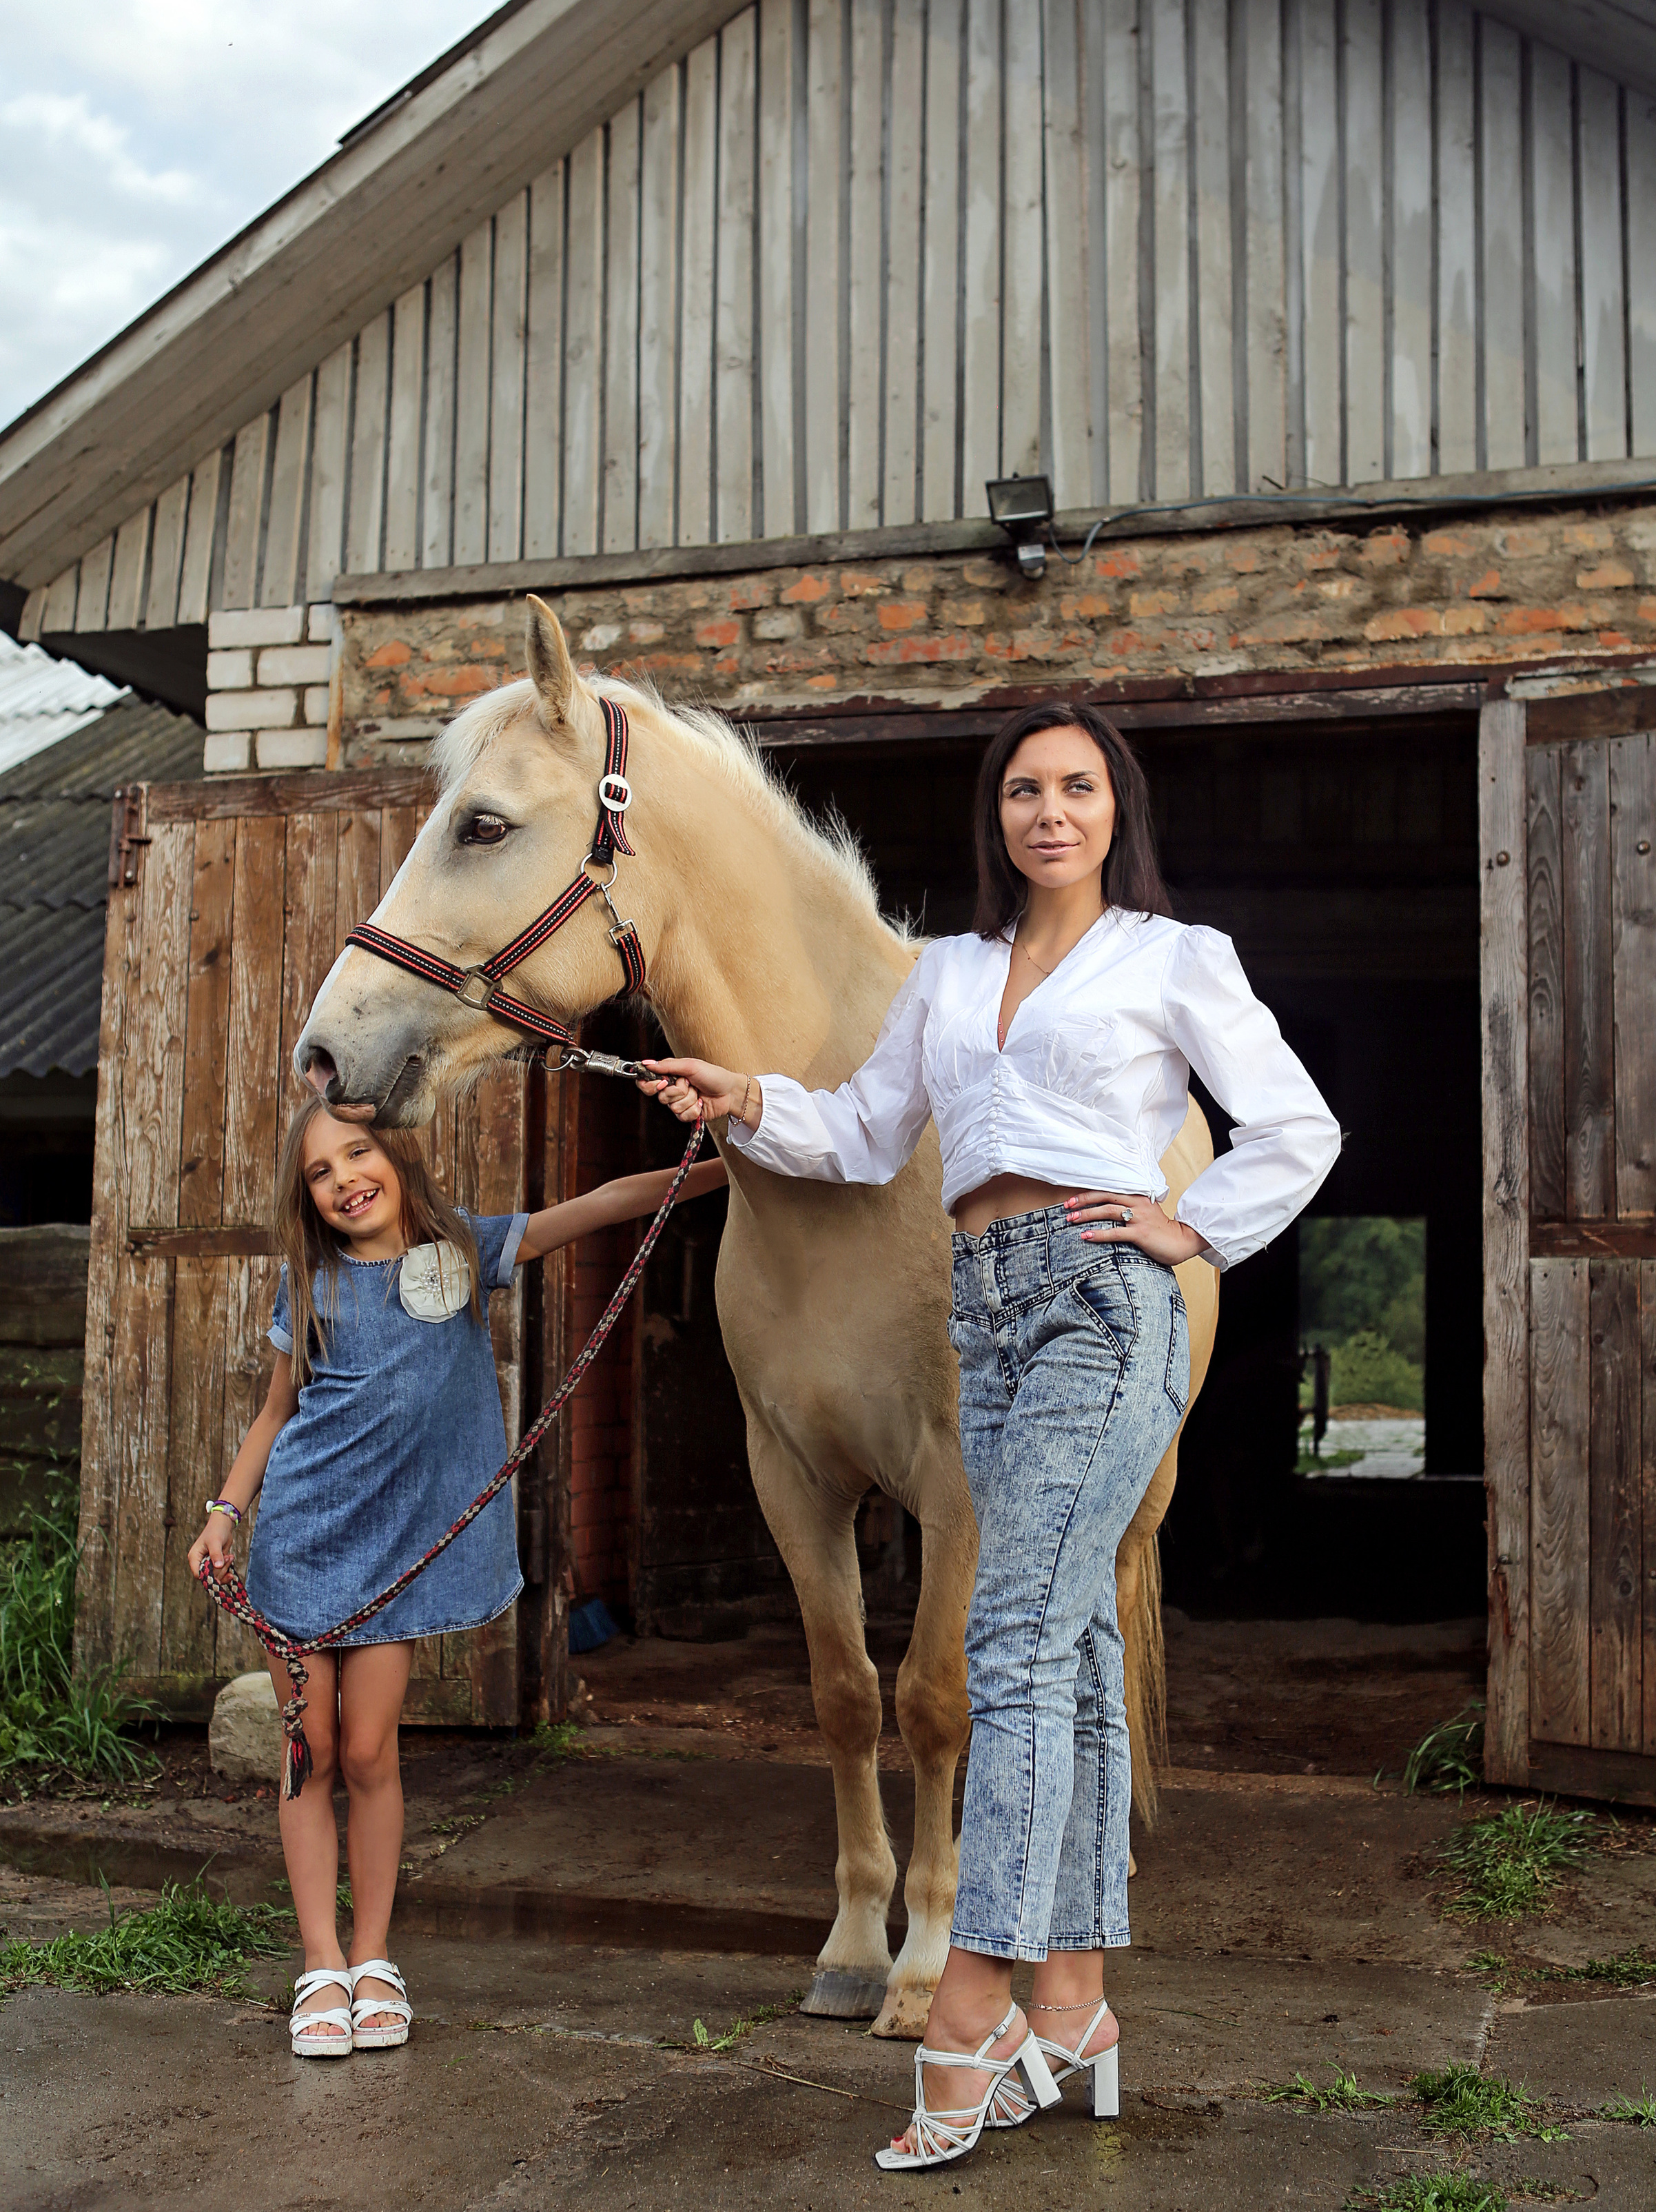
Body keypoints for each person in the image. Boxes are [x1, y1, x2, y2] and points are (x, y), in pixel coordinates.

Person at [641, 700, 1339, 2169]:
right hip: (983, 1308)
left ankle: (970, 2002)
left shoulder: (1171, 959)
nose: (1049, 812)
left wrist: (1185, 1224)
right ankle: (1074, 1996)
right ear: (996, 820)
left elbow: (1296, 1127)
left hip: (1101, 1298)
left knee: (1005, 1639)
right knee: (1075, 1649)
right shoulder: (948, 976)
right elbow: (862, 1134)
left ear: (1112, 810)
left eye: (1077, 786)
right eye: (1024, 789)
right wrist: (741, 1096)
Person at [187, 1097, 726, 2059]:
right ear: (306, 1197)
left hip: (398, 1554)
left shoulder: (458, 1251)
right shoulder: (307, 1277)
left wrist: (727, 1162)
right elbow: (277, 1413)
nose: (346, 1177)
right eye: (321, 1170)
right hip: (304, 1540)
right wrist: (226, 1512)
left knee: (368, 1749)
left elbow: (601, 1203)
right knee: (306, 1748)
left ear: (394, 1155)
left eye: (359, 1152)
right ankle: (319, 1964)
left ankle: (373, 1954)